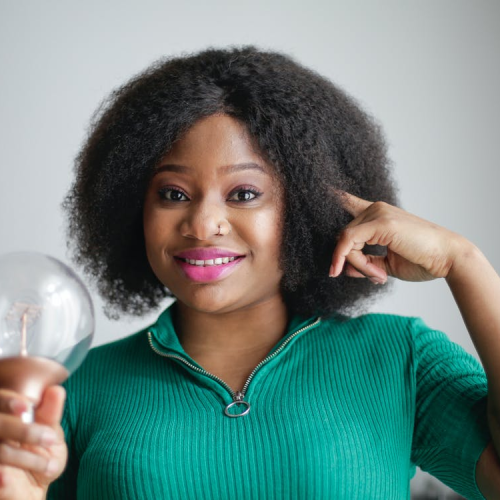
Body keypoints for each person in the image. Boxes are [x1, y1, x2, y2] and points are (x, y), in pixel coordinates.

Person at [0, 46, 499, 499]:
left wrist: (463, 262)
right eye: (173, 194)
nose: (202, 224)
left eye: (243, 194)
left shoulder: (398, 360)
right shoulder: (71, 390)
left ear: (305, 208)